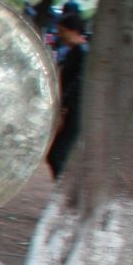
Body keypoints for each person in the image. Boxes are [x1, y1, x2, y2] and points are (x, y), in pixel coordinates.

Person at [47, 12, 88, 178]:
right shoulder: (74, 52)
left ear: (74, 31)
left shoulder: (83, 53)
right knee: (58, 155)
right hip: (72, 112)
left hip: (76, 113)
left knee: (57, 155)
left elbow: (78, 83)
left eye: (62, 31)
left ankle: (62, 196)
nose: (59, 35)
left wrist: (63, 105)